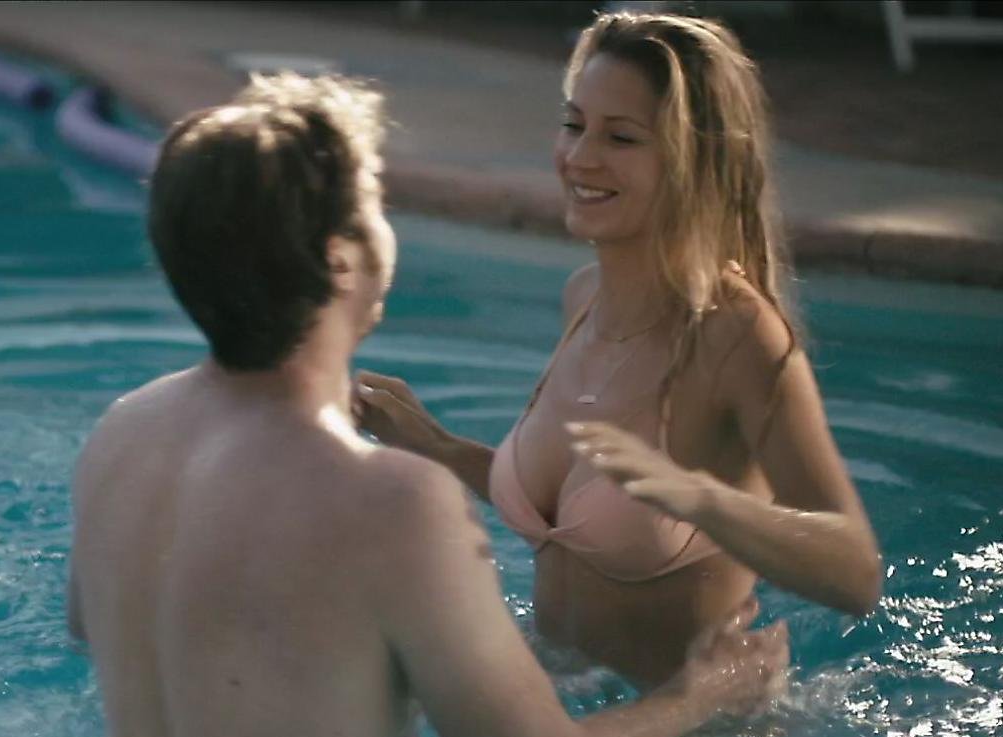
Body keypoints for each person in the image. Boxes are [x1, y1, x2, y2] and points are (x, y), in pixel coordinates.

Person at [67, 72, 787, 737]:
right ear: (341, 257)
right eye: (374, 203)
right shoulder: (392, 500)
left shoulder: (125, 431)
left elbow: (100, 628)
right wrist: (701, 692)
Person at [354, 12, 883, 690]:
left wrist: (699, 498)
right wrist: (437, 446)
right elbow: (573, 523)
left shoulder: (736, 335)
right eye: (574, 125)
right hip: (555, 705)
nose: (580, 157)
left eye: (621, 137)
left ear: (696, 163)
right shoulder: (584, 298)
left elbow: (856, 574)